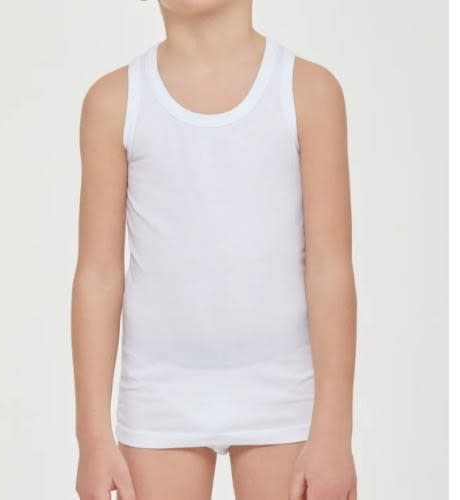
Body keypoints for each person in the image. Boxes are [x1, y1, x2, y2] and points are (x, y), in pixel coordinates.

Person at [71, 0, 358, 498]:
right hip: (159, 396)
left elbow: (330, 269)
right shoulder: (113, 101)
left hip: (284, 393)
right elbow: (98, 276)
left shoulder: (309, 92)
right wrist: (91, 437)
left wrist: (334, 433)